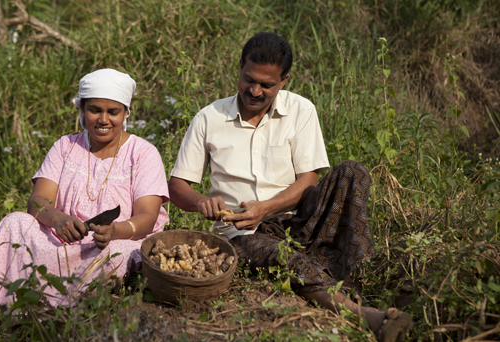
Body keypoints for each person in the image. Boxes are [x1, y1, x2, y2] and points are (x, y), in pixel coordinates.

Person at [168, 32, 412, 342]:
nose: (255, 91)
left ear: (284, 80)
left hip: (299, 220)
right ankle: (369, 317)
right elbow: (177, 186)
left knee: (353, 172)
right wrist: (202, 200)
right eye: (249, 80)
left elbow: (309, 180)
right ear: (240, 67)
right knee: (281, 255)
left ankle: (360, 273)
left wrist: (266, 208)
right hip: (244, 234)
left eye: (266, 85)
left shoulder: (301, 110)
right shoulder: (208, 118)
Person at [0, 69, 169, 318]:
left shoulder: (143, 153)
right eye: (95, 110)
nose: (103, 119)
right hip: (57, 241)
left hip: (108, 244)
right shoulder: (65, 146)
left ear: (126, 113)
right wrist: (58, 219)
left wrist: (114, 231)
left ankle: (55, 313)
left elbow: (148, 215)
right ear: (81, 109)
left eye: (113, 112)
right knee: (14, 222)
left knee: (119, 255)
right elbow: (38, 201)